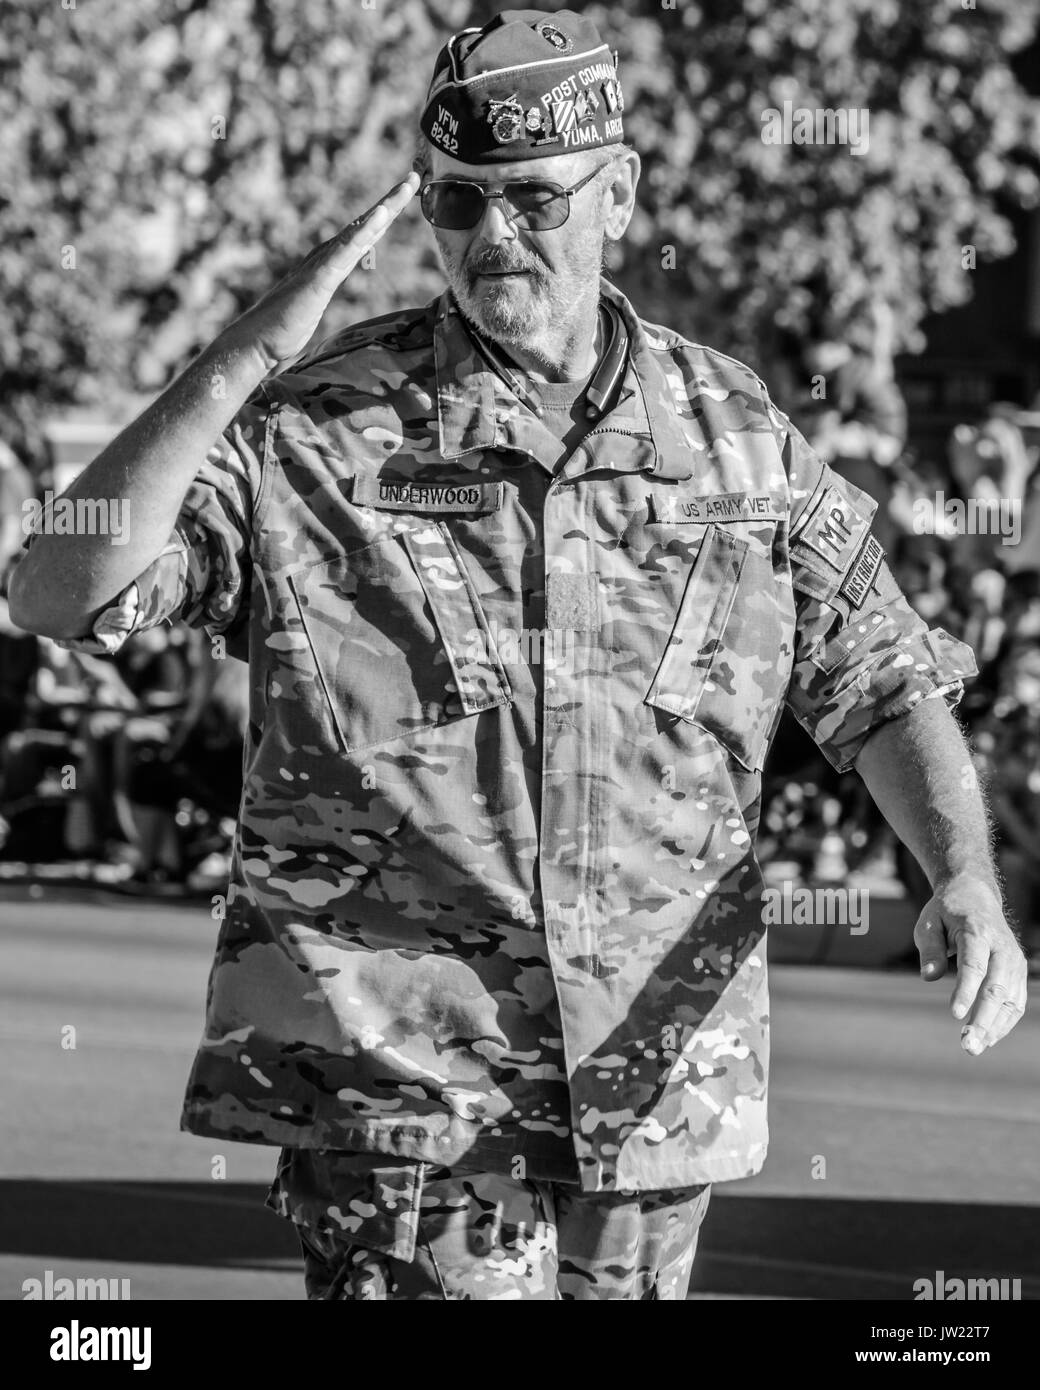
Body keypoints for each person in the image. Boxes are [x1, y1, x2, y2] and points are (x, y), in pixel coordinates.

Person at [8, 8, 1027, 1301]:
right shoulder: (322, 431)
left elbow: (878, 676)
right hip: (408, 1092)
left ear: (622, 191)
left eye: (535, 201)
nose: (494, 238)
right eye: (458, 203)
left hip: (655, 1082)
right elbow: (54, 591)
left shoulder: (734, 436)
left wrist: (967, 880)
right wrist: (242, 361)